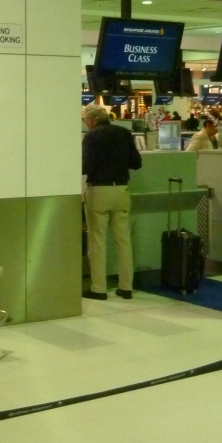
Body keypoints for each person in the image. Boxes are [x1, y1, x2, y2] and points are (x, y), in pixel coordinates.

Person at [81, 103, 141, 300]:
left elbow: (85, 166)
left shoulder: (91, 136)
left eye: (85, 120)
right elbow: (136, 163)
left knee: (97, 241)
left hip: (99, 191)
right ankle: (126, 287)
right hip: (121, 190)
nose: (85, 123)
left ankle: (99, 288)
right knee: (123, 241)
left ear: (92, 120)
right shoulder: (124, 133)